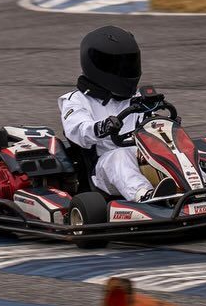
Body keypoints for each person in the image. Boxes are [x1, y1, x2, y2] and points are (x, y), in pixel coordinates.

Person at [58, 26, 175, 202]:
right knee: (118, 157)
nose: (127, 70)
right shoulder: (75, 100)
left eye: (130, 63)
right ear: (98, 66)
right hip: (104, 170)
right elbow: (78, 131)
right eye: (120, 66)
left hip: (141, 155)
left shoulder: (135, 97)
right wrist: (101, 127)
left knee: (178, 146)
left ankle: (202, 184)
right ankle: (145, 195)